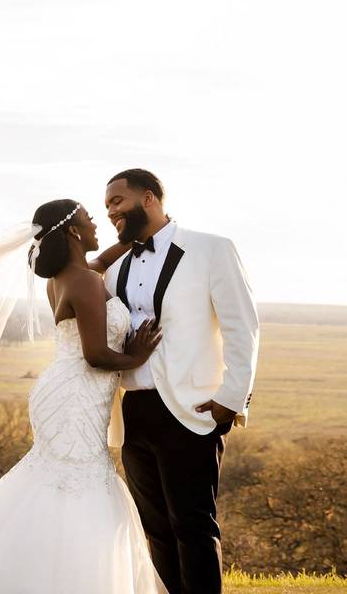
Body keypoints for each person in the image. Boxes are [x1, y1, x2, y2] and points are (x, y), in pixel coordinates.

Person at [0, 198, 167, 593]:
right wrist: (136, 354)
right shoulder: (84, 280)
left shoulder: (70, 276)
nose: (96, 222)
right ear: (72, 231)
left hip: (65, 391)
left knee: (58, 480)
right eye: (88, 218)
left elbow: (104, 259)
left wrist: (145, 235)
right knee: (75, 482)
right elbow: (96, 355)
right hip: (76, 397)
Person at [103, 169, 259, 594]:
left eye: (117, 201)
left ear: (149, 197)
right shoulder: (113, 268)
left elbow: (241, 327)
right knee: (155, 529)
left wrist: (233, 397)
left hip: (190, 408)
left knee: (193, 527)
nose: (111, 211)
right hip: (132, 410)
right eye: (107, 206)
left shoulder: (212, 250)